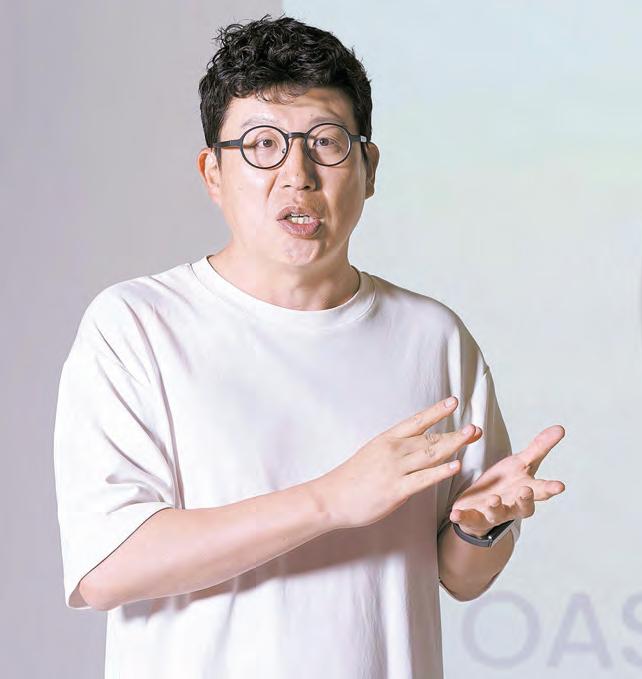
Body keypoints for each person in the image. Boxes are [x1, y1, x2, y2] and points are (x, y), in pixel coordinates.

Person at [53, 12, 566, 679]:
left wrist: (477, 528)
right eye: (262, 145)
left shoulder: (432, 335)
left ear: (369, 168)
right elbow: (107, 566)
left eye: (326, 143)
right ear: (213, 173)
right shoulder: (137, 325)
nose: (297, 174)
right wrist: (329, 499)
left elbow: (460, 578)